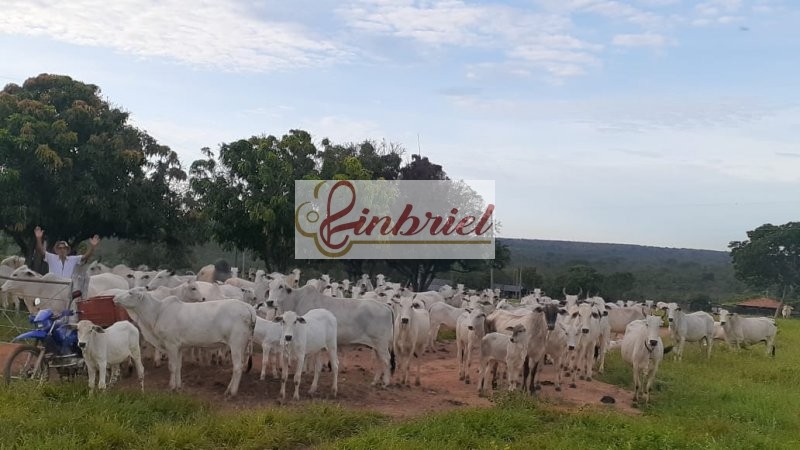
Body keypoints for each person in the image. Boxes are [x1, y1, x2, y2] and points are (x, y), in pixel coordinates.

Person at [34, 226, 100, 279]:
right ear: (56, 251)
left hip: (67, 288)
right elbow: (40, 250)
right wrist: (38, 238)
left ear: (67, 250)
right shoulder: (51, 257)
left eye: (64, 248)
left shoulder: (73, 259)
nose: (62, 250)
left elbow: (86, 256)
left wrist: (93, 247)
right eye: (60, 248)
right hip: (53, 287)